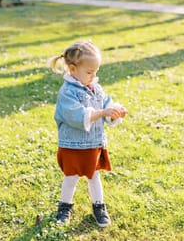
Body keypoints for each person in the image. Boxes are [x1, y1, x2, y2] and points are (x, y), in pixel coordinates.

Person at [48, 40, 127, 227]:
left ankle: (99, 206)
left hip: (93, 144)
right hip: (73, 145)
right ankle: (65, 206)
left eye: (96, 72)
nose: (93, 76)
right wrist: (101, 113)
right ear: (72, 70)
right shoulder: (67, 92)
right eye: (89, 72)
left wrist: (115, 110)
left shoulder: (96, 88)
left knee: (94, 176)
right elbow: (76, 115)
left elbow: (106, 103)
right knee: (71, 177)